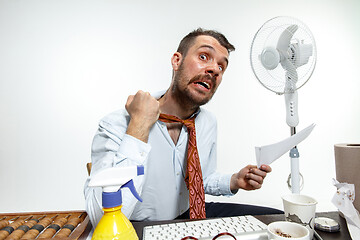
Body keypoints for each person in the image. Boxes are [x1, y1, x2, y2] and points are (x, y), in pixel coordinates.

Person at [84, 28, 282, 227]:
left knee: (276, 220)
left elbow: (200, 179)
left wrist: (234, 180)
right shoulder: (117, 123)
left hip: (191, 213)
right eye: (204, 56)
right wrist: (138, 126)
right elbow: (101, 218)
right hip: (136, 225)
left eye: (221, 67)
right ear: (177, 61)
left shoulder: (207, 122)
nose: (214, 69)